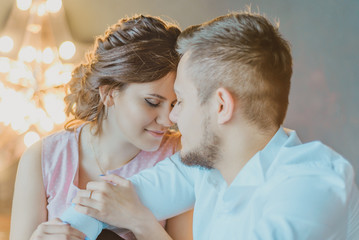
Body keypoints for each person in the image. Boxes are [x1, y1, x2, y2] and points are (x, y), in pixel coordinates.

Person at [71, 11, 359, 240]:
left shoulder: (312, 184)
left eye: (180, 100)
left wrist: (141, 222)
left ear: (221, 106)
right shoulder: (206, 165)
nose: (173, 117)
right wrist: (62, 230)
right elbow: (114, 197)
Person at [10, 15, 193, 240]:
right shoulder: (43, 158)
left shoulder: (178, 157)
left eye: (175, 103)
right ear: (108, 93)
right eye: (152, 102)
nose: (169, 119)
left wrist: (137, 219)